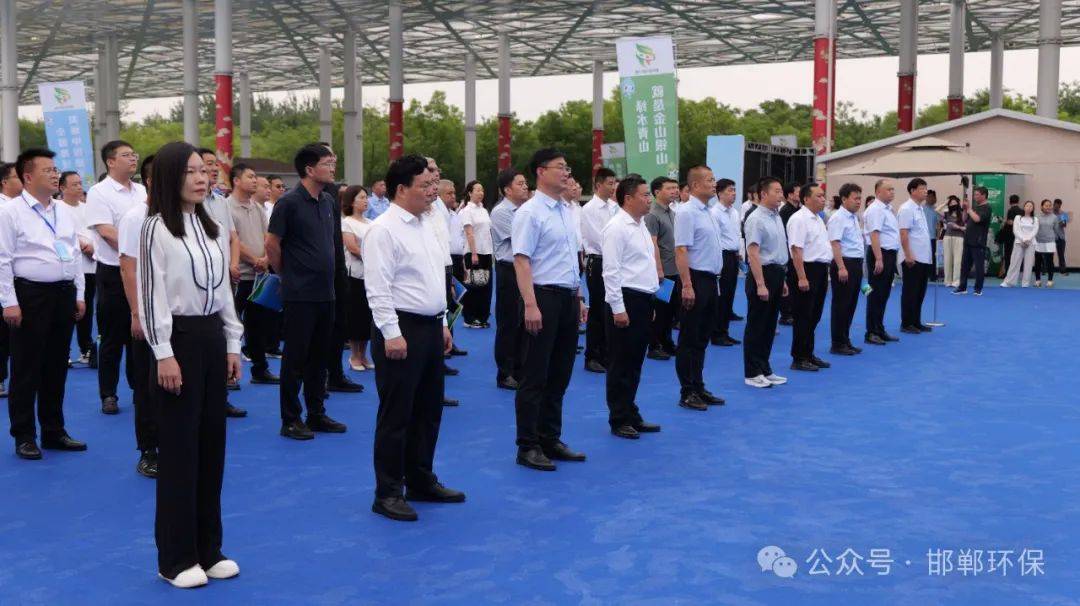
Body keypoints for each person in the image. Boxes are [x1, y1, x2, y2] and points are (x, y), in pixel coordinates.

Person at [136, 141, 242, 589]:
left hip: (211, 336)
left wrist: (233, 342)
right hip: (175, 339)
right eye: (191, 172)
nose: (203, 179)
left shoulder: (211, 225)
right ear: (169, 178)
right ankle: (175, 558)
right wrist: (163, 353)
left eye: (206, 171)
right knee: (180, 451)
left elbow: (223, 292)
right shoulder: (155, 228)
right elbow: (151, 292)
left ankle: (208, 548)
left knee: (212, 446)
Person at [364, 154, 464, 522]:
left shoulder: (426, 223)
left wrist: (440, 322)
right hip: (399, 329)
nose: (432, 190)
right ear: (401, 189)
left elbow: (431, 280)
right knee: (397, 415)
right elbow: (378, 288)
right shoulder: (384, 229)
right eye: (424, 185)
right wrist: (391, 333)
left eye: (433, 184)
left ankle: (421, 479)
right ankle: (388, 491)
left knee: (428, 410)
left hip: (428, 327)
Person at [0, 148, 87, 460]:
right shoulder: (10, 212)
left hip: (62, 293)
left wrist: (78, 293)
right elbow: (2, 260)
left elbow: (73, 252)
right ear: (27, 176)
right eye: (47, 170)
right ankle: (23, 434)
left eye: (55, 169)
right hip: (30, 295)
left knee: (55, 366)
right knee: (26, 368)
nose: (55, 174)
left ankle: (53, 430)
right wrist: (9, 303)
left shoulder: (63, 210)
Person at [512, 148, 588, 472]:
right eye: (561, 167)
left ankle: (550, 437)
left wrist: (579, 297)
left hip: (568, 297)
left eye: (567, 166)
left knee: (560, 372)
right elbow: (521, 259)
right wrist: (530, 304)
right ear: (541, 172)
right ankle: (527, 445)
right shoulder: (530, 212)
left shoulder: (566, 210)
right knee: (535, 375)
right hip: (542, 296)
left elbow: (570, 259)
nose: (566, 172)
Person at [266, 143, 348, 440]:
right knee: (295, 358)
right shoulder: (288, 203)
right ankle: (290, 418)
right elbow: (272, 244)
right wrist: (287, 275)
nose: (333, 166)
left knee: (320, 356)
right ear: (309, 169)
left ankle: (316, 412)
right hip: (299, 293)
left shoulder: (327, 202)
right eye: (328, 162)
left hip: (326, 292)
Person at [85, 140, 146, 415]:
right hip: (112, 272)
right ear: (110, 161)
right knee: (111, 336)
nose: (133, 159)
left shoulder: (143, 191)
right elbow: (107, 232)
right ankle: (108, 394)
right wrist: (138, 247)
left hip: (143, 270)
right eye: (126, 155)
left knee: (141, 333)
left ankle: (140, 388)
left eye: (134, 154)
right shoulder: (99, 192)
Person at [601, 174, 661, 440]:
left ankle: (630, 410)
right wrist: (618, 308)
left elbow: (644, 265)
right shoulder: (616, 227)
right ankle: (619, 417)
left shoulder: (641, 225)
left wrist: (652, 299)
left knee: (635, 361)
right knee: (621, 362)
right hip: (625, 299)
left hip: (643, 298)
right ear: (628, 198)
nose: (649, 199)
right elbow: (611, 271)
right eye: (645, 195)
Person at [117, 155, 160, 477]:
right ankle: (148, 449)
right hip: (148, 310)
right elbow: (128, 266)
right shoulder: (136, 217)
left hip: (180, 313)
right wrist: (136, 311)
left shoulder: (187, 215)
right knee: (147, 384)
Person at [673, 165, 725, 410]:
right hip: (695, 279)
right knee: (689, 338)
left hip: (711, 279)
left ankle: (698, 385)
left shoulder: (709, 212)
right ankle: (687, 391)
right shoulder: (686, 212)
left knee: (703, 337)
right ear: (694, 186)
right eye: (709, 180)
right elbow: (681, 249)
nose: (714, 184)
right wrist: (687, 285)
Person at [228, 163, 278, 386]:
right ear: (236, 181)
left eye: (255, 176)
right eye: (250, 176)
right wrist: (254, 260)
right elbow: (233, 239)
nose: (255, 180)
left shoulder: (258, 207)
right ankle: (228, 374)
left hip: (260, 275)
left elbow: (268, 236)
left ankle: (260, 369)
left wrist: (266, 259)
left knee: (258, 325)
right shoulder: (226, 207)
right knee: (231, 325)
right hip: (240, 275)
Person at [742, 177, 789, 389]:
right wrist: (761, 284)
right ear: (763, 194)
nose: (781, 195)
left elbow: (778, 250)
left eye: (781, 191)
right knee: (757, 325)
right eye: (777, 191)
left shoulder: (776, 216)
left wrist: (783, 279)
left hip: (777, 273)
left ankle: (764, 368)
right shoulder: (756, 218)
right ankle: (752, 372)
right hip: (762, 274)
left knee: (770, 325)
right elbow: (753, 253)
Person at [490, 168, 529, 390]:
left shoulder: (525, 210)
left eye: (525, 183)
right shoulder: (501, 212)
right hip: (508, 269)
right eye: (520, 183)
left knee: (524, 322)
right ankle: (504, 373)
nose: (525, 187)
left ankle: (519, 369)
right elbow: (522, 240)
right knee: (508, 322)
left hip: (524, 269)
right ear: (507, 190)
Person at [786, 182, 831, 371]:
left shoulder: (818, 218)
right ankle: (798, 357)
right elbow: (797, 249)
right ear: (806, 199)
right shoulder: (799, 219)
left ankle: (808, 352)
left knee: (815, 315)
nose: (823, 199)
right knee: (803, 315)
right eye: (819, 196)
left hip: (820, 270)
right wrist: (802, 277)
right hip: (806, 269)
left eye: (823, 196)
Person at [580, 167, 618, 373]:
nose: (613, 187)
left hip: (615, 262)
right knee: (597, 310)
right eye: (609, 183)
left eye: (614, 183)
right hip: (599, 261)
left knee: (612, 308)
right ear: (598, 185)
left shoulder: (614, 207)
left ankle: (606, 352)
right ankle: (592, 355)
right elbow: (598, 238)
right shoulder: (589, 209)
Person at [60, 171, 98, 367]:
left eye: (79, 183)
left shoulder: (88, 209)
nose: (78, 187)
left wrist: (93, 248)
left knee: (87, 308)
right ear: (62, 188)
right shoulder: (58, 208)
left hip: (90, 266)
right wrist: (83, 245)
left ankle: (86, 349)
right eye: (73, 184)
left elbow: (97, 233)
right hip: (68, 266)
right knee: (67, 310)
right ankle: (63, 351)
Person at [826, 183, 865, 356]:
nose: (859, 202)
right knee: (841, 304)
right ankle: (837, 343)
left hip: (855, 263)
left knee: (851, 304)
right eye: (855, 198)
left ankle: (845, 338)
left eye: (860, 198)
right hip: (844, 263)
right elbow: (835, 243)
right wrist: (841, 267)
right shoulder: (838, 218)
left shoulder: (854, 217)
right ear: (844, 199)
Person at [644, 176, 679, 360]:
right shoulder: (652, 214)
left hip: (674, 269)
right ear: (657, 192)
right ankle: (654, 345)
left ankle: (667, 342)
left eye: (676, 187)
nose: (675, 190)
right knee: (659, 311)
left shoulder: (671, 212)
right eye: (670, 188)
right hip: (662, 270)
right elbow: (653, 244)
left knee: (671, 311)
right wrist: (658, 270)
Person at [863, 179, 901, 343]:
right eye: (888, 189)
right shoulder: (876, 209)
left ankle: (879, 328)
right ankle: (871, 331)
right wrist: (879, 258)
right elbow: (874, 234)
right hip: (880, 253)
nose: (892, 192)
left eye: (893, 189)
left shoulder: (888, 209)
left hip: (889, 253)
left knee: (884, 294)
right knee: (875, 293)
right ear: (878, 192)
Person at [341, 185, 374, 371]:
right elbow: (352, 248)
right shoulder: (347, 222)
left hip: (370, 275)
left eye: (366, 197)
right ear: (352, 201)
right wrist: (371, 255)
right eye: (361, 197)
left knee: (368, 316)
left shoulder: (371, 223)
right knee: (355, 316)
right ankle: (354, 355)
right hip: (354, 275)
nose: (365, 200)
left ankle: (364, 354)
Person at [898, 178, 933, 334]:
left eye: (926, 188)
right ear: (912, 190)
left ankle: (916, 321)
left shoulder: (920, 209)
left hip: (923, 257)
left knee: (920, 291)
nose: (925, 191)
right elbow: (903, 233)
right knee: (910, 291)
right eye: (921, 188)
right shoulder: (906, 208)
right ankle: (906, 323)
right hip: (912, 257)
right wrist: (908, 254)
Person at [710, 177, 742, 347]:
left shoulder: (734, 212)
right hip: (721, 256)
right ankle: (716, 334)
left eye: (734, 190)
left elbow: (737, 235)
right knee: (721, 296)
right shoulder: (714, 213)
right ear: (719, 193)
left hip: (733, 255)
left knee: (729, 295)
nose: (733, 193)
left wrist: (739, 252)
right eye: (729, 190)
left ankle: (724, 331)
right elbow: (715, 239)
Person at [459, 180, 494, 328]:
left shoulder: (483, 210)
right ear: (470, 193)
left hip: (486, 252)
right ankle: (470, 317)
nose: (481, 193)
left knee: (486, 285)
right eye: (477, 190)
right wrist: (474, 253)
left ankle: (482, 316)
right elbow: (469, 233)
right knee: (474, 285)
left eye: (482, 190)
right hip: (473, 252)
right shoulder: (466, 211)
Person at [954, 186, 992, 296]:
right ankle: (962, 287)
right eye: (974, 194)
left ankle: (978, 289)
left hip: (978, 241)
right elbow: (965, 219)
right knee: (964, 265)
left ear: (984, 195)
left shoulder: (987, 207)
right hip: (968, 240)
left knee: (979, 266)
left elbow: (977, 219)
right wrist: (966, 209)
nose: (975, 196)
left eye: (977, 195)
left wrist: (969, 209)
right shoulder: (975, 207)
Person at [776, 183, 801, 326]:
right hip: (788, 252)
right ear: (790, 195)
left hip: (796, 252)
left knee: (795, 283)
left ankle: (792, 310)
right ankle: (785, 314)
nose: (801, 194)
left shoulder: (798, 210)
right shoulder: (785, 211)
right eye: (798, 191)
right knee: (788, 282)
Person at [1002, 200, 1037, 288]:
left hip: (1031, 243)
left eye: (1031, 206)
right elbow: (1016, 230)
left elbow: (1035, 231)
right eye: (1027, 206)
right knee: (1014, 262)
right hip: (1019, 242)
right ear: (1024, 207)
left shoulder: (1035, 219)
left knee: (1028, 264)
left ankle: (1025, 283)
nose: (1029, 208)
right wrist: (1023, 239)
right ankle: (1009, 282)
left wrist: (1028, 239)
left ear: (1033, 209)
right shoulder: (1018, 217)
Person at [942, 196, 965, 288]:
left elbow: (966, 227)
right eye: (951, 203)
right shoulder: (946, 213)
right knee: (947, 259)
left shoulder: (962, 213)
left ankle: (956, 281)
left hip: (959, 237)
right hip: (947, 237)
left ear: (958, 203)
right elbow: (936, 210)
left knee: (958, 260)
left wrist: (958, 227)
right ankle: (947, 281)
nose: (953, 204)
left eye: (954, 202)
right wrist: (945, 203)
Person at [1035, 199, 1058, 287]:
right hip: (1038, 241)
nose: (1048, 207)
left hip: (1050, 242)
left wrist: (1053, 238)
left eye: (1049, 205)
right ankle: (1037, 280)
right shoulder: (1037, 216)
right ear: (1041, 206)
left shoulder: (1054, 217)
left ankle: (1050, 280)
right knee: (1038, 261)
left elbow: (1056, 229)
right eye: (1046, 205)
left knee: (1049, 261)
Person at [998, 194, 1022, 278]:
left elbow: (1010, 222)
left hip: (1009, 236)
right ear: (1018, 201)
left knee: (1008, 255)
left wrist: (1004, 221)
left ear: (1010, 201)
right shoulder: (1021, 211)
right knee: (1017, 255)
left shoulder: (1011, 210)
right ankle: (1017, 273)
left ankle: (1008, 273)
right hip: (1019, 236)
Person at [1054, 199, 1068, 275]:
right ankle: (1045, 270)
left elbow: (1064, 225)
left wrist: (1061, 223)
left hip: (1061, 238)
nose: (1057, 207)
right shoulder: (1050, 214)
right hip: (1051, 237)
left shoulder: (1063, 214)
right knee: (1048, 255)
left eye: (1059, 205)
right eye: (1056, 205)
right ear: (1054, 204)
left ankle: (1063, 271)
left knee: (1061, 255)